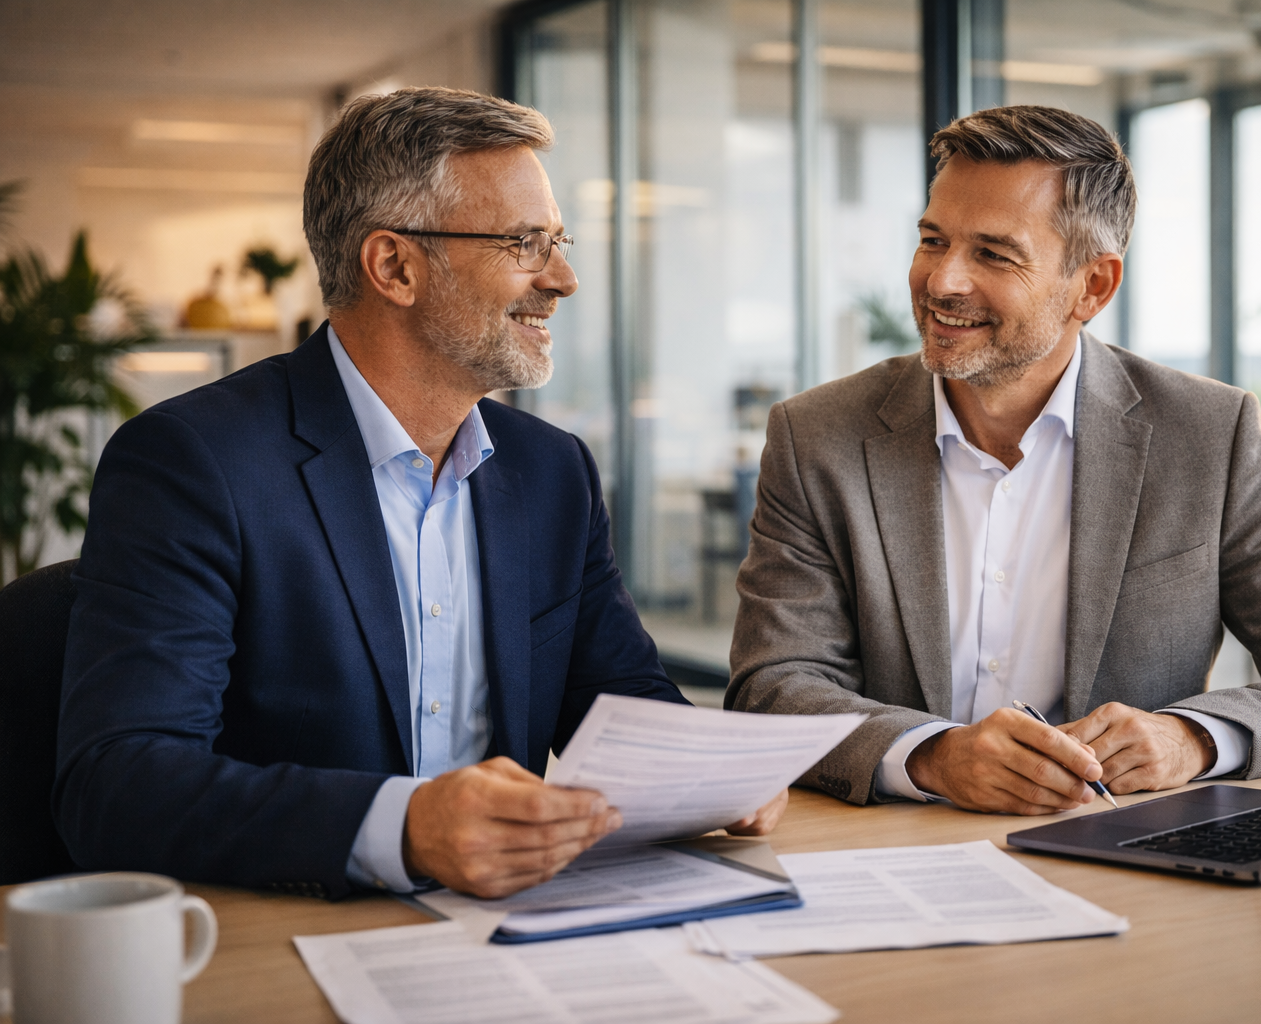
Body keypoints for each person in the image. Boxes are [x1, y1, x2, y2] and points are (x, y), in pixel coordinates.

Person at [56, 87, 784, 900]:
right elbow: (117, 783)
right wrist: (405, 827)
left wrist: (717, 769)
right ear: (395, 266)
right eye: (525, 242)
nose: (566, 278)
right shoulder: (194, 464)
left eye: (559, 241)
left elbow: (619, 702)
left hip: (515, 925)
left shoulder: (553, 474)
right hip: (293, 933)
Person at [727, 105, 1261, 814]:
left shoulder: (1208, 435)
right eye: (933, 240)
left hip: (1126, 858)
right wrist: (933, 755)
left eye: (993, 254)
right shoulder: (817, 435)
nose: (942, 282)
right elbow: (774, 682)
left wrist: (1195, 739)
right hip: (896, 850)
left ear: (1092, 286)